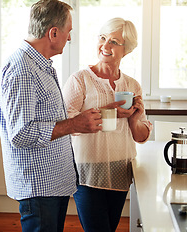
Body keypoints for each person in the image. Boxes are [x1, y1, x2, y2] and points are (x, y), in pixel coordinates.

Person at [0, 0, 103, 232]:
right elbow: (21, 134)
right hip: (38, 187)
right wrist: (74, 124)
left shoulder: (41, 65)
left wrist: (76, 123)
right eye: (68, 32)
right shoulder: (22, 69)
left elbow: (47, 119)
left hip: (51, 183)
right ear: (53, 33)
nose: (70, 38)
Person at [62, 17, 153, 232]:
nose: (105, 46)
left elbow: (141, 136)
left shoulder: (132, 85)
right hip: (87, 169)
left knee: (109, 228)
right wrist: (111, 111)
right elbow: (67, 124)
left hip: (121, 167)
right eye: (102, 38)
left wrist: (132, 120)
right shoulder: (80, 79)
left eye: (114, 41)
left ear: (126, 49)